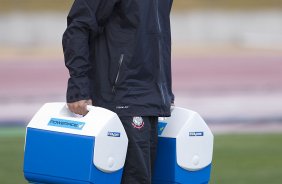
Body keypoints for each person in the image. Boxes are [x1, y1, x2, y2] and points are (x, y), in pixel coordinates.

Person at [62, 0, 174, 183]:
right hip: (121, 96)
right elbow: (78, 27)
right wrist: (78, 87)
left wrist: (164, 90)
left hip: (149, 99)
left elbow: (155, 37)